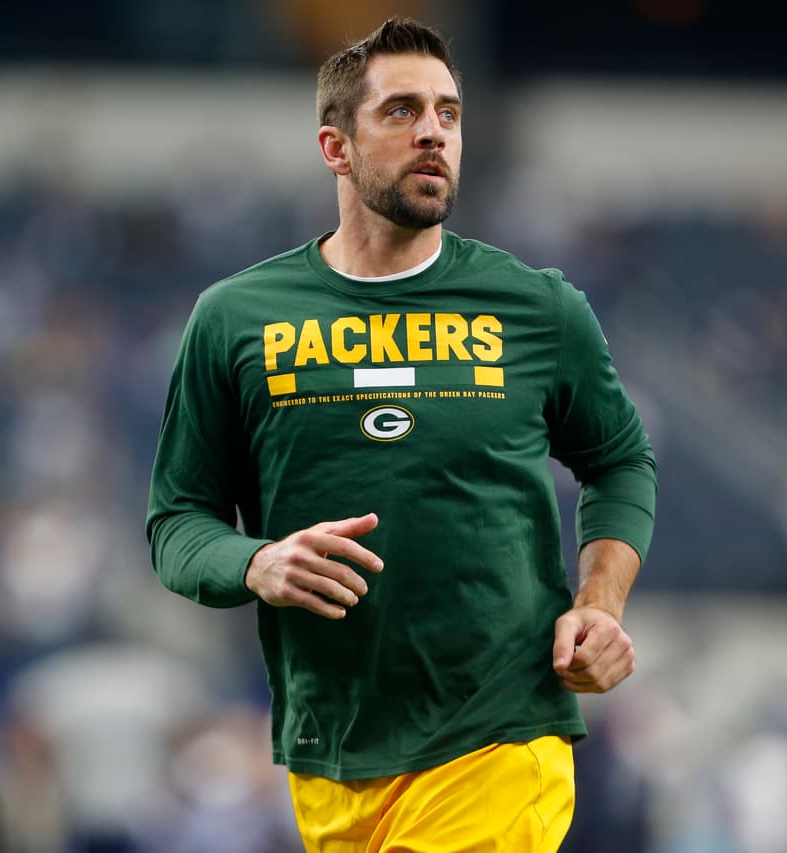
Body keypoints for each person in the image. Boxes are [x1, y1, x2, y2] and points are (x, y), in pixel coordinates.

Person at [147, 16, 657, 852]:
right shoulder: (234, 319)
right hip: (331, 752)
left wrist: (600, 604)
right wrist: (256, 560)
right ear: (335, 147)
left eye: (449, 113)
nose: (434, 132)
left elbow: (620, 460)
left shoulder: (538, 307)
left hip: (498, 733)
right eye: (402, 111)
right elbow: (176, 525)